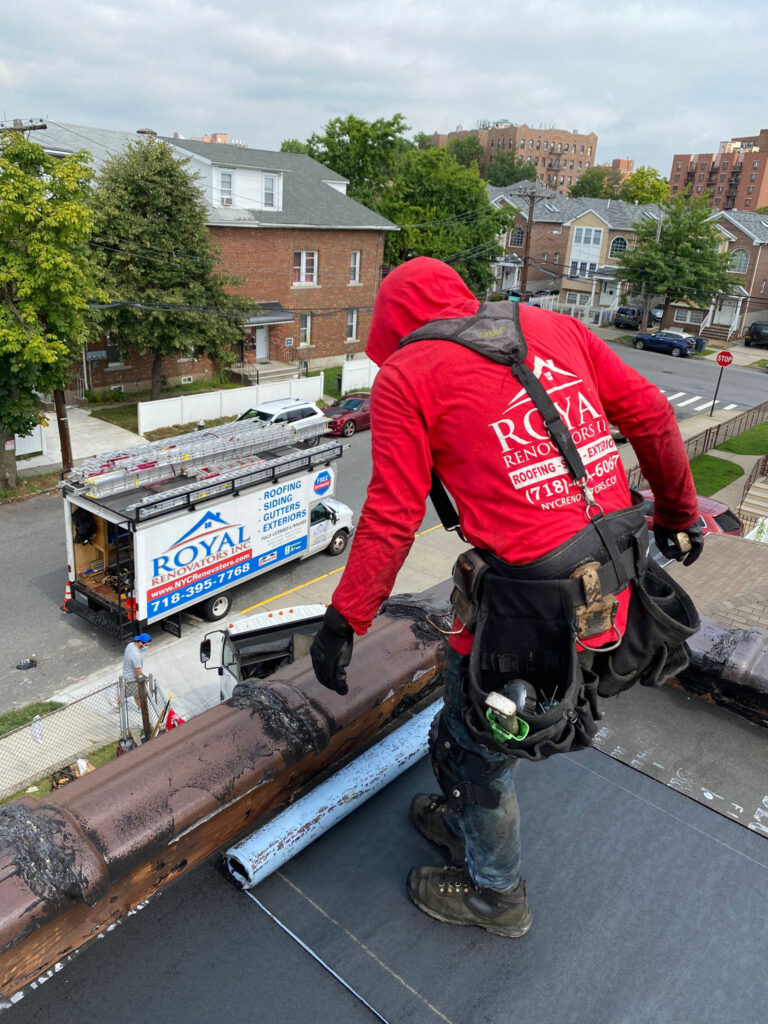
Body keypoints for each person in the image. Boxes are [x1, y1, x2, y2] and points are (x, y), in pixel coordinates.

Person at [310, 257, 702, 938]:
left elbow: (394, 511)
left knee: (479, 743)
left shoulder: (410, 373)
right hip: (615, 569)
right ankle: (464, 818)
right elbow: (649, 411)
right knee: (477, 732)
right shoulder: (550, 324)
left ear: (395, 327)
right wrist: (677, 512)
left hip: (530, 606)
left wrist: (346, 618)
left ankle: (495, 891)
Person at [122, 633, 151, 709]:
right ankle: (142, 708)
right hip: (132, 677)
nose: (146, 647)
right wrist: (143, 678)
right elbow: (138, 671)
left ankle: (118, 701)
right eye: (146, 645)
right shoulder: (136, 655)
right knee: (137, 695)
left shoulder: (130, 645)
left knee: (128, 691)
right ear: (140, 642)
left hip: (126, 673)